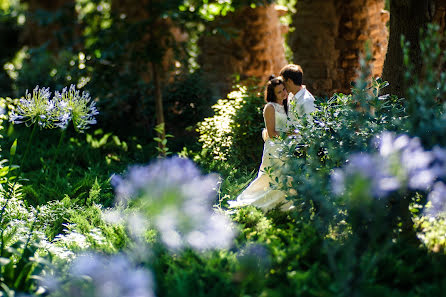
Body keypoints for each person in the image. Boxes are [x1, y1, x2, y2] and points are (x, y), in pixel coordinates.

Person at [228, 76, 293, 212]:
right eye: (279, 92)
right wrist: (290, 134)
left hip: (286, 146)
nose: (283, 93)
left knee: (287, 175)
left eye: (284, 90)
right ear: (273, 94)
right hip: (274, 147)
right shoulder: (270, 107)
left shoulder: (287, 105)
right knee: (270, 177)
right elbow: (271, 132)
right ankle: (259, 201)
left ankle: (285, 202)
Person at [279, 64, 316, 130]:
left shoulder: (307, 101)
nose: (282, 86)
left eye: (283, 82)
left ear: (289, 81)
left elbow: (310, 129)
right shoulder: (291, 96)